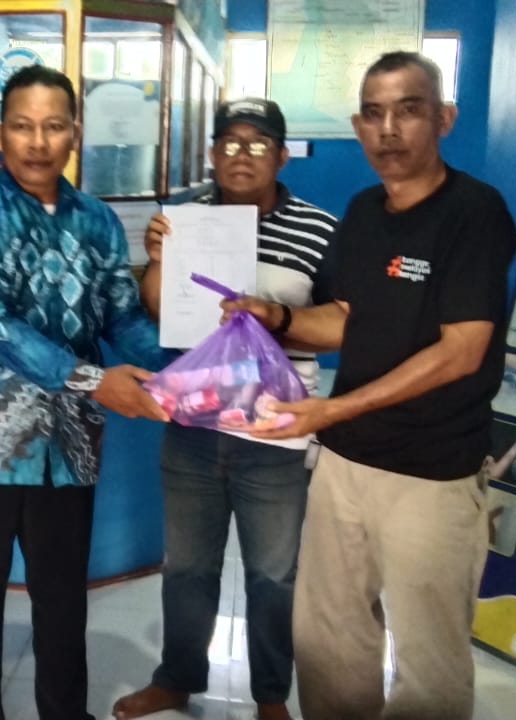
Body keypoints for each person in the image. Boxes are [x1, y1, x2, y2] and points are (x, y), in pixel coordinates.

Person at [225, 51, 516, 719]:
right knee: (328, 641)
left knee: (429, 663)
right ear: (358, 126)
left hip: (432, 475)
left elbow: (462, 351)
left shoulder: (474, 212)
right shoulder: (362, 212)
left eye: (408, 111)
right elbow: (345, 319)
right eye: (374, 114)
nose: (388, 130)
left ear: (443, 118)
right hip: (344, 467)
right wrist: (276, 318)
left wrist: (331, 409)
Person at [0, 64, 172, 720]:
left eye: (53, 126)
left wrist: (188, 369)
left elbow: (121, 317)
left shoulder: (98, 221)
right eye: (22, 126)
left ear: (75, 133)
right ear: (0, 133)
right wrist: (95, 380)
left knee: (64, 603)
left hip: (68, 448)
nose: (38, 142)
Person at [112, 98, 338, 720]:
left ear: (282, 155)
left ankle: (271, 696)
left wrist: (275, 319)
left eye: (258, 144)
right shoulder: (186, 220)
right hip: (195, 423)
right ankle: (177, 679)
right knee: (187, 567)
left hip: (277, 429)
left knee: (273, 574)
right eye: (230, 143)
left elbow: (340, 324)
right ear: (212, 154)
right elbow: (158, 308)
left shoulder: (321, 229)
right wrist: (160, 261)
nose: (242, 155)